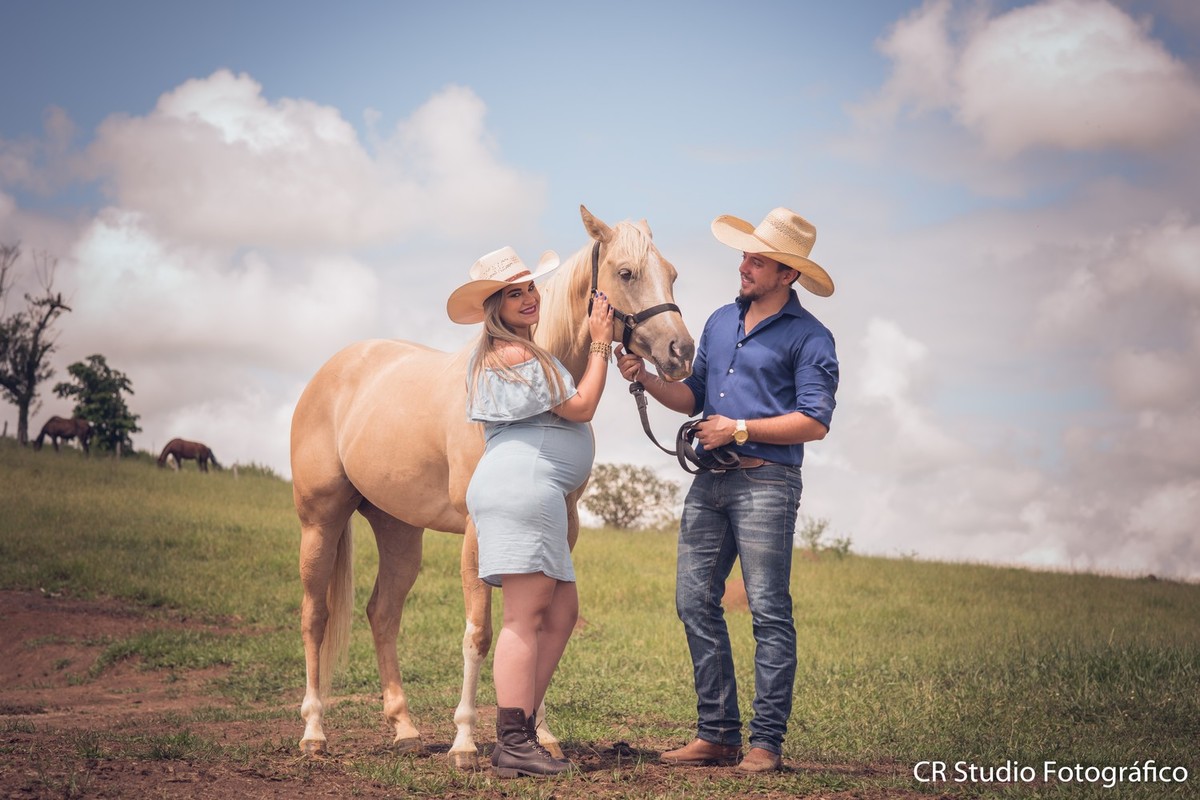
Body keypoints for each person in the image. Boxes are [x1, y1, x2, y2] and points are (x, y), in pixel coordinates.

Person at [616, 207, 839, 774]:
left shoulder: (811, 337)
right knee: (693, 601)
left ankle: (765, 743)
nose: (744, 266)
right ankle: (716, 734)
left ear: (788, 274)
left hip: (767, 481)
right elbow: (692, 397)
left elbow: (814, 421)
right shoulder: (719, 322)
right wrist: (645, 378)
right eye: (745, 256)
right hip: (711, 480)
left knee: (769, 611)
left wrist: (739, 428)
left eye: (758, 261)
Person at [447, 245, 615, 778]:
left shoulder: (507, 353)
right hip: (525, 489)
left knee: (561, 613)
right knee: (523, 620)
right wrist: (600, 344)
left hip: (524, 487)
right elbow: (582, 406)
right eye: (512, 294)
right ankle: (514, 742)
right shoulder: (520, 357)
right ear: (493, 306)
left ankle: (515, 731)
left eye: (530, 288)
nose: (527, 299)